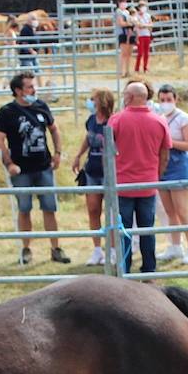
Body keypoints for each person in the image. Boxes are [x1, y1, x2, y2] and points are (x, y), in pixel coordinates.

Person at [0, 70, 69, 265]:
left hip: (44, 167)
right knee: (24, 209)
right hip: (21, 170)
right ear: (18, 90)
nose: (34, 90)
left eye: (34, 86)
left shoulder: (41, 107)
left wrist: (58, 153)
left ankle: (55, 248)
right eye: (29, 86)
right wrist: (9, 163)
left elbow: (54, 130)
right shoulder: (7, 112)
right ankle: (26, 249)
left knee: (49, 208)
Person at [109, 81, 170, 273]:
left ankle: (124, 268)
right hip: (148, 184)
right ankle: (149, 269)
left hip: (123, 184)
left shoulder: (116, 120)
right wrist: (156, 175)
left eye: (126, 94)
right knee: (147, 229)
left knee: (124, 230)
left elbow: (109, 152)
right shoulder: (159, 121)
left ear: (131, 97)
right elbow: (165, 154)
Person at [71, 87, 115, 266]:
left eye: (93, 99)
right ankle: (97, 250)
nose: (90, 102)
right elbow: (88, 139)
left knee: (111, 212)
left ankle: (112, 249)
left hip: (109, 172)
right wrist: (78, 155)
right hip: (92, 170)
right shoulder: (91, 120)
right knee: (93, 209)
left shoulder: (113, 121)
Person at [155, 84, 188, 264]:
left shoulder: (184, 119)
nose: (166, 103)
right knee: (169, 210)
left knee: (182, 210)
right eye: (162, 100)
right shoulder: (159, 118)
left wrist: (169, 142)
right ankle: (174, 246)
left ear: (175, 99)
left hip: (179, 165)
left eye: (169, 100)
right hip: (164, 166)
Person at [18, 13, 42, 87]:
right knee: (28, 73)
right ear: (29, 20)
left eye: (36, 19)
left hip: (33, 55)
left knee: (38, 71)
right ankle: (28, 87)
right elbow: (24, 42)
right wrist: (32, 51)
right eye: (34, 19)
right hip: (26, 56)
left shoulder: (32, 29)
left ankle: (41, 88)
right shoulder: (25, 29)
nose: (36, 21)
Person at [115, 0, 133, 77]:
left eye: (125, 2)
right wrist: (130, 24)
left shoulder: (127, 12)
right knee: (123, 53)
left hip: (129, 33)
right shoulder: (118, 12)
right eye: (122, 2)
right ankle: (120, 72)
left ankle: (127, 71)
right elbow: (120, 23)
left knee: (129, 53)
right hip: (122, 33)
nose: (124, 4)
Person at [134, 0, 153, 73]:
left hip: (147, 35)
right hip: (140, 35)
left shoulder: (147, 15)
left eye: (144, 6)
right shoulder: (136, 16)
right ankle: (137, 68)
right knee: (140, 53)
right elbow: (139, 25)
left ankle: (145, 68)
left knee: (146, 53)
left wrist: (145, 26)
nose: (143, 8)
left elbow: (151, 24)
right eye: (142, 6)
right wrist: (146, 25)